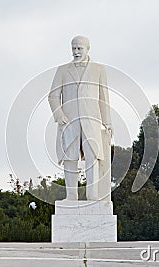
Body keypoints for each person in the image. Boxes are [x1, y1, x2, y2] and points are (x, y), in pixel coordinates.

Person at [48, 36, 112, 201]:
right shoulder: (63, 70)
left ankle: (93, 195)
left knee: (93, 156)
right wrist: (59, 115)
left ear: (87, 48)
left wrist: (108, 122)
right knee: (70, 157)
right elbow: (53, 96)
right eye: (74, 48)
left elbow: (103, 98)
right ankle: (71, 196)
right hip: (69, 121)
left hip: (91, 120)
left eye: (79, 48)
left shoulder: (98, 69)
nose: (76, 52)